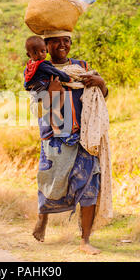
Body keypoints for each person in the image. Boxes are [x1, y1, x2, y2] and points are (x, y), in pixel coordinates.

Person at [28, 30, 112, 255]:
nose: (62, 45)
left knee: (90, 184)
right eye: (56, 41)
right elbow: (37, 106)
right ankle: (42, 218)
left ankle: (85, 240)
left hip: (85, 136)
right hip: (55, 137)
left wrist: (100, 82)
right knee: (50, 183)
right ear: (46, 45)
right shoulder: (39, 71)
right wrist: (52, 94)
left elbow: (101, 95)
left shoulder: (81, 67)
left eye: (66, 40)